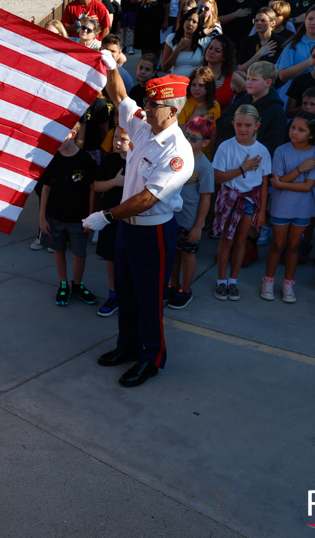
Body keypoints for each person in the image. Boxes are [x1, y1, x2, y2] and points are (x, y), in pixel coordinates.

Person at [82, 69, 194, 389]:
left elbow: (147, 199)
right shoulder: (145, 123)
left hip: (152, 232)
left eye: (154, 103)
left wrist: (106, 216)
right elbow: (120, 97)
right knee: (125, 290)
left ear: (172, 111)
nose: (146, 106)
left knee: (149, 297)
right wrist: (110, 65)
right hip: (127, 228)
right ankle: (128, 344)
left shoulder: (177, 152)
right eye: (147, 99)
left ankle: (151, 357)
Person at [261, 113, 315, 304]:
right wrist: (300, 170)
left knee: (294, 247)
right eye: (293, 128)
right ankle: (268, 281)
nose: (294, 132)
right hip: (281, 207)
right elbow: (278, 182)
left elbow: (307, 187)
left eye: (301, 129)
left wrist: (282, 183)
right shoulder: (281, 151)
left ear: (311, 135)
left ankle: (288, 283)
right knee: (277, 245)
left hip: (302, 208)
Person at [211, 104, 271, 301]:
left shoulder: (262, 151)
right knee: (226, 241)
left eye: (248, 125)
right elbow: (219, 178)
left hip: (249, 202)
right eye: (239, 125)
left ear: (257, 125)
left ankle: (233, 281)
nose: (243, 129)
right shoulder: (225, 147)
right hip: (229, 198)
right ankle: (221, 281)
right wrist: (243, 169)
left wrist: (261, 212)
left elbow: (263, 183)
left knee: (241, 242)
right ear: (233, 124)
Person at [40, 125, 98, 307]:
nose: (56, 140)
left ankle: (78, 285)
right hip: (55, 217)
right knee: (59, 251)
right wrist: (42, 217)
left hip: (78, 219)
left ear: (73, 135)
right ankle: (63, 284)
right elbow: (46, 189)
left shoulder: (86, 159)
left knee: (80, 255)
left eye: (60, 136)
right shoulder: (52, 159)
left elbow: (92, 191)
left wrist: (91, 217)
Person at [166, 117, 215, 310]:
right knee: (174, 255)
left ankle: (185, 290)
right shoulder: (176, 157)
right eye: (185, 135)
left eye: (193, 138)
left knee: (187, 255)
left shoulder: (204, 166)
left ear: (205, 143)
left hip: (189, 221)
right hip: (171, 217)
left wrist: (197, 226)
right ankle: (174, 285)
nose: (187, 140)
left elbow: (205, 198)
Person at [94, 127, 130, 317]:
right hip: (110, 216)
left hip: (131, 219)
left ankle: (129, 295)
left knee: (130, 258)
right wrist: (115, 182)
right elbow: (97, 185)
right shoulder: (110, 159)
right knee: (111, 257)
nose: (117, 142)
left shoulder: (139, 162)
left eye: (123, 139)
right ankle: (113, 294)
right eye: (116, 137)